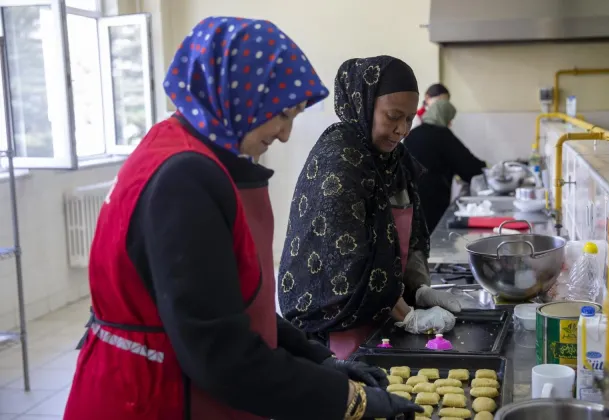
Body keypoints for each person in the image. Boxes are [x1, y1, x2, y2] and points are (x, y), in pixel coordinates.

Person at [63, 18, 422, 420]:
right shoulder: (184, 178)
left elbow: (230, 305)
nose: (285, 134)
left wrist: (319, 359)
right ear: (239, 95)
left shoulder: (182, 148)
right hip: (151, 397)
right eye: (282, 114)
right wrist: (349, 400)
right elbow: (222, 354)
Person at [278, 56, 462, 360]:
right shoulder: (339, 161)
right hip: (340, 322)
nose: (402, 129)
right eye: (392, 116)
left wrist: (419, 289)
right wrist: (407, 315)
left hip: (386, 313)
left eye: (409, 118)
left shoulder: (394, 160)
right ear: (362, 104)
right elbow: (346, 262)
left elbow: (410, 235)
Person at [403, 98, 485, 232]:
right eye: (450, 119)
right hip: (433, 200)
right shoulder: (442, 135)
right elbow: (468, 166)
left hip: (409, 199)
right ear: (443, 115)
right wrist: (485, 168)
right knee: (434, 240)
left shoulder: (413, 134)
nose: (450, 123)